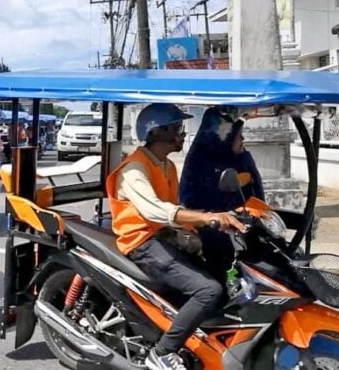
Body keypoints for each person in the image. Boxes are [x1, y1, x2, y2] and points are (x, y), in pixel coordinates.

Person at [106, 103, 245, 370]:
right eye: (178, 129)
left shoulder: (166, 165)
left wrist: (203, 228)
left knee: (221, 271)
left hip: (163, 235)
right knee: (209, 291)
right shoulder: (134, 170)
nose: (183, 134)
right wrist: (206, 218)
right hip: (141, 242)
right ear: (159, 132)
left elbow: (176, 207)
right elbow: (156, 210)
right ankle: (162, 353)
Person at [180, 107, 265, 275]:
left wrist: (244, 156)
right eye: (236, 134)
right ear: (223, 136)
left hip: (235, 225)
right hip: (209, 228)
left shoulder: (233, 158)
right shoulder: (204, 162)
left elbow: (254, 188)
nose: (242, 138)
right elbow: (215, 193)